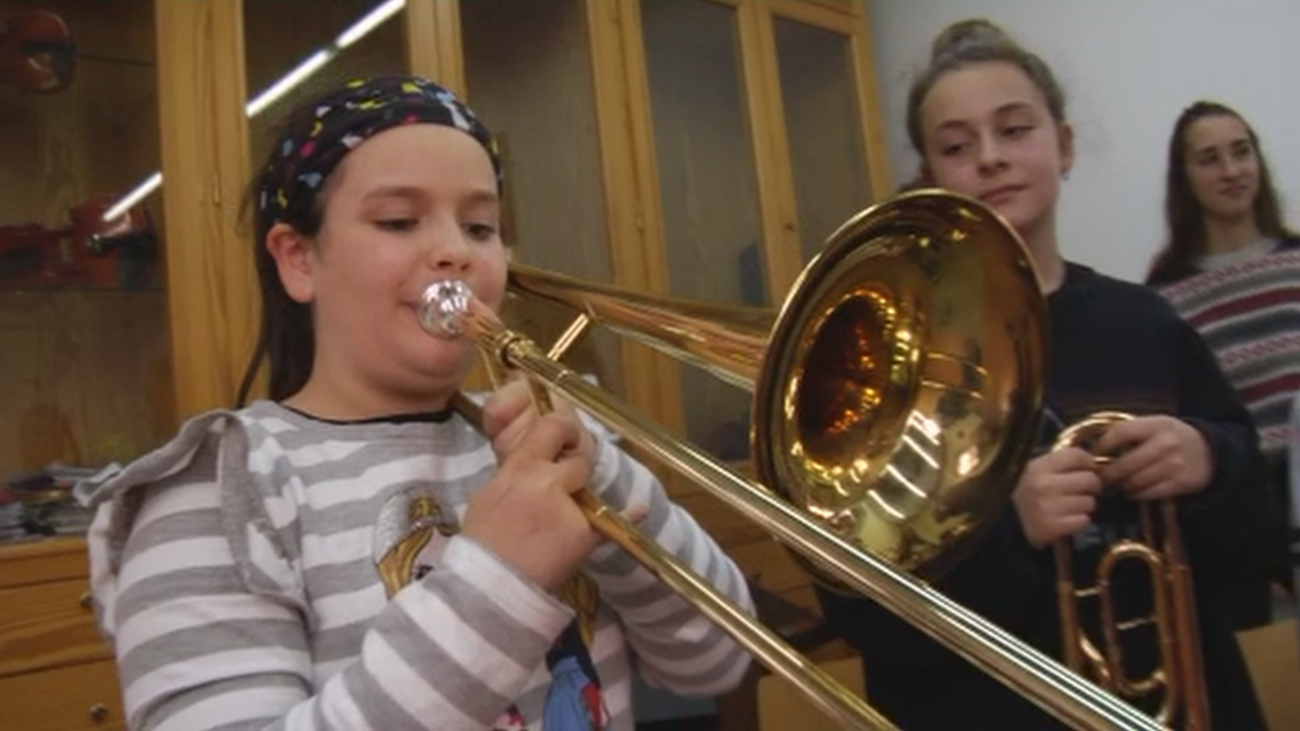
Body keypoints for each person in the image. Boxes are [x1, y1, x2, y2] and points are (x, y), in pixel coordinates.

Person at [82, 75, 753, 731]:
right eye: (399, 220)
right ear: (299, 259)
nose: (455, 252)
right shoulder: (219, 490)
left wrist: (600, 473)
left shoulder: (552, 438)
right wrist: (501, 581)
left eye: (481, 227)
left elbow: (716, 662)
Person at [815, 19, 1279, 730]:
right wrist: (1009, 530)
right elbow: (859, 607)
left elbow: (1260, 544)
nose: (991, 158)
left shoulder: (1147, 322)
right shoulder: (888, 362)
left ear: (1063, 145)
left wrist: (1209, 460)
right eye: (957, 146)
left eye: (1014, 130)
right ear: (930, 177)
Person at [1146, 100, 1300, 620]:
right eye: (1209, 159)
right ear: (1185, 178)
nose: (1231, 171)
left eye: (1241, 152)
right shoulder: (1165, 297)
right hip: (1242, 529)